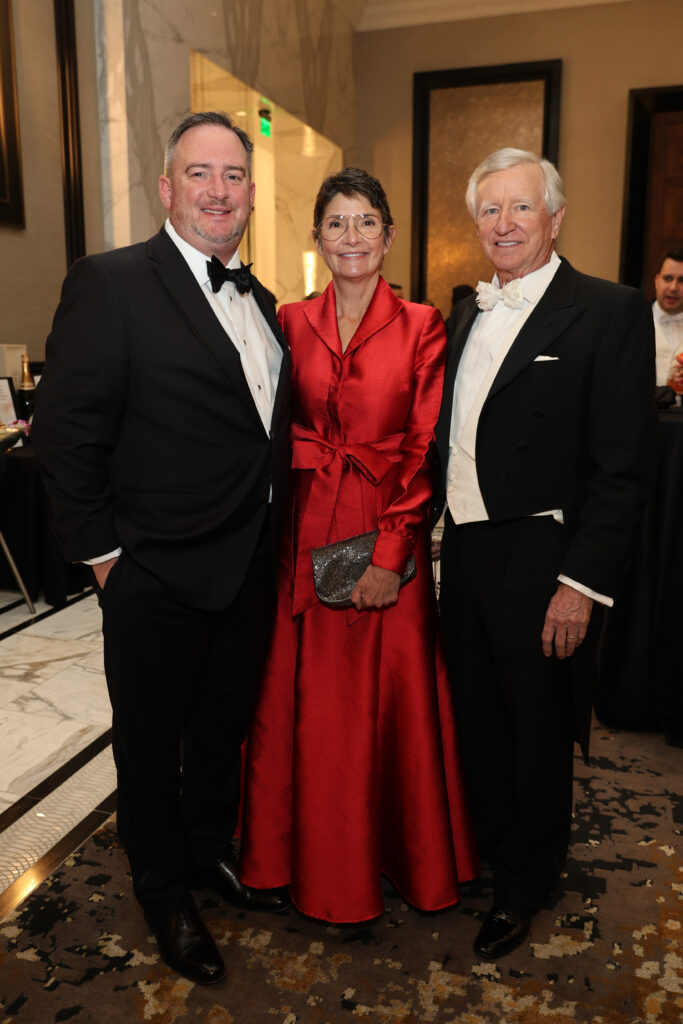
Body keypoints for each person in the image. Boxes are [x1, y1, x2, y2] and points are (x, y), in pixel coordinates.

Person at [32, 112, 291, 985]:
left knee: (220, 732)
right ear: (166, 188)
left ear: (251, 192)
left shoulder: (259, 302)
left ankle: (212, 850)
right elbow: (65, 436)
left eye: (232, 175)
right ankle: (161, 890)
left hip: (250, 564)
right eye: (200, 174)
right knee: (151, 744)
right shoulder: (109, 284)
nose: (218, 191)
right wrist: (105, 560)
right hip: (154, 570)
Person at [239, 167, 478, 924]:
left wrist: (391, 554)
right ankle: (284, 859)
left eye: (365, 222)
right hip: (302, 531)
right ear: (316, 238)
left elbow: (421, 448)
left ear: (388, 235)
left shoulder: (421, 325)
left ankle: (394, 858)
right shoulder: (286, 320)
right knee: (297, 706)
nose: (351, 237)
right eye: (336, 223)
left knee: (387, 706)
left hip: (383, 529)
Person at [435, 148, 655, 960]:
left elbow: (624, 469)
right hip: (463, 548)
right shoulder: (465, 312)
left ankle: (527, 882)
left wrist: (580, 585)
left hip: (542, 554)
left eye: (519, 208)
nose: (502, 224)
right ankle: (492, 851)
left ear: (554, 219)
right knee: (478, 717)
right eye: (489, 210)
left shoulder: (608, 310)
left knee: (537, 725)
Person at [652, 248, 683, 387]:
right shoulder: (631, 322)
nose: (673, 287)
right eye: (668, 278)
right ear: (657, 281)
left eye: (682, 280)